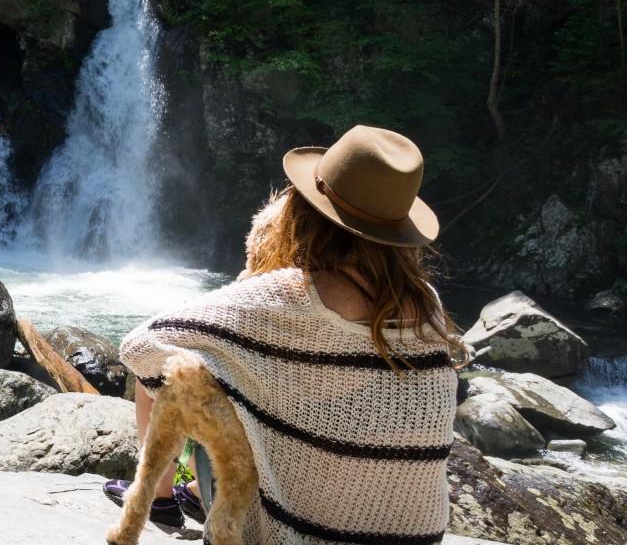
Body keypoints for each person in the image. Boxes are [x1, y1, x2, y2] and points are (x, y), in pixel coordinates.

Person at [105, 125, 467, 542]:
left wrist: (246, 307)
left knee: (191, 371)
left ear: (306, 212)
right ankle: (190, 491)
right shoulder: (429, 304)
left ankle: (163, 498)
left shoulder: (288, 295)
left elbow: (140, 345)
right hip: (411, 537)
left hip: (295, 533)